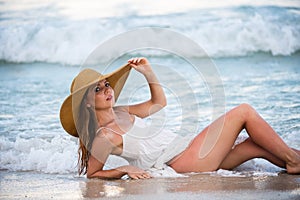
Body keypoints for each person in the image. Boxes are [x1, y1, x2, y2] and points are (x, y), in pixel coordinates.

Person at [60, 57, 300, 179]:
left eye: (107, 85)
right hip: (183, 162)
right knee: (244, 112)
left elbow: (158, 104)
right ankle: (292, 159)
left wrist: (148, 73)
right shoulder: (104, 136)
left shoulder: (122, 111)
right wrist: (124, 169)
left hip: (186, 148)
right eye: (98, 90)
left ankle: (294, 163)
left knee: (253, 145)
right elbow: (93, 175)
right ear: (88, 103)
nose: (107, 91)